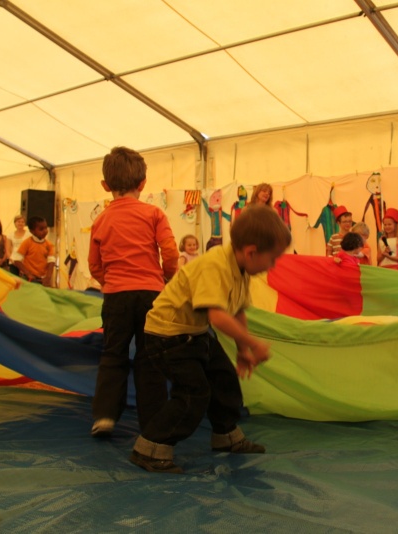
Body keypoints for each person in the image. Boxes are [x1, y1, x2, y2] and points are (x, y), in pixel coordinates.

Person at [130, 205, 292, 474]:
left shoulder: (241, 268)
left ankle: (226, 436)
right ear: (252, 252)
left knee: (225, 379)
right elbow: (217, 317)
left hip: (193, 333)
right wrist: (253, 343)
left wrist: (242, 349)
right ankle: (150, 447)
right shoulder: (215, 265)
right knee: (194, 393)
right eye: (272, 259)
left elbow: (237, 310)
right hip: (167, 335)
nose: (272, 266)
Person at [88, 146, 179, 438]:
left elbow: (94, 264)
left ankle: (104, 415)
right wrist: (165, 277)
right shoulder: (153, 213)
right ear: (143, 184)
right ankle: (152, 421)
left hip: (116, 295)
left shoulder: (101, 220)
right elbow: (170, 252)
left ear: (105, 186)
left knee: (113, 354)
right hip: (151, 294)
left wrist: (109, 281)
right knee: (149, 358)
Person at [11, 215, 56, 287]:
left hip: (42, 279)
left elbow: (51, 261)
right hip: (29, 279)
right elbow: (17, 260)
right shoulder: (27, 243)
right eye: (41, 229)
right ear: (32, 231)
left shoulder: (49, 245)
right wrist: (28, 274)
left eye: (45, 228)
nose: (45, 231)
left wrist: (48, 277)